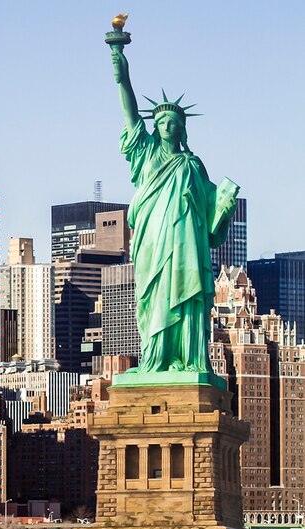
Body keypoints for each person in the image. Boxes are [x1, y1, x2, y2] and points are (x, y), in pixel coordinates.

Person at [111, 41, 238, 374]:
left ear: (182, 128)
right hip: (153, 241)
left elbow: (212, 219)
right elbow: (128, 109)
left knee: (188, 297)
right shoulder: (146, 154)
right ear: (155, 127)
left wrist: (224, 207)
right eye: (162, 121)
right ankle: (156, 359)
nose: (168, 126)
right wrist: (121, 70)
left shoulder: (194, 165)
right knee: (154, 300)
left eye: (174, 122)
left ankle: (189, 359)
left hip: (186, 246)